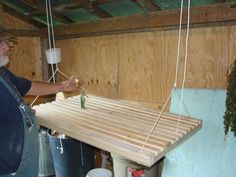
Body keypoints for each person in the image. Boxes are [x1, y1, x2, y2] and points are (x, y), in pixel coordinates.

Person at [0, 28, 81, 177]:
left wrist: (62, 86)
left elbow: (29, 86)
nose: (7, 47)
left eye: (7, 43)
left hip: (24, 159)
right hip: (7, 169)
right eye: (1, 43)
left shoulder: (2, 73)